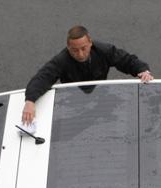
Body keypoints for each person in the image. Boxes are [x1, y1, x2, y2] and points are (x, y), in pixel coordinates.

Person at [22, 25, 154, 124]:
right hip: (75, 99)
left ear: (90, 43)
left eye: (83, 48)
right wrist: (30, 101)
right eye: (74, 50)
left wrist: (142, 70)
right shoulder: (61, 60)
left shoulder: (104, 50)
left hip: (100, 92)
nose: (80, 54)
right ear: (68, 47)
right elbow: (43, 77)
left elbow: (126, 60)